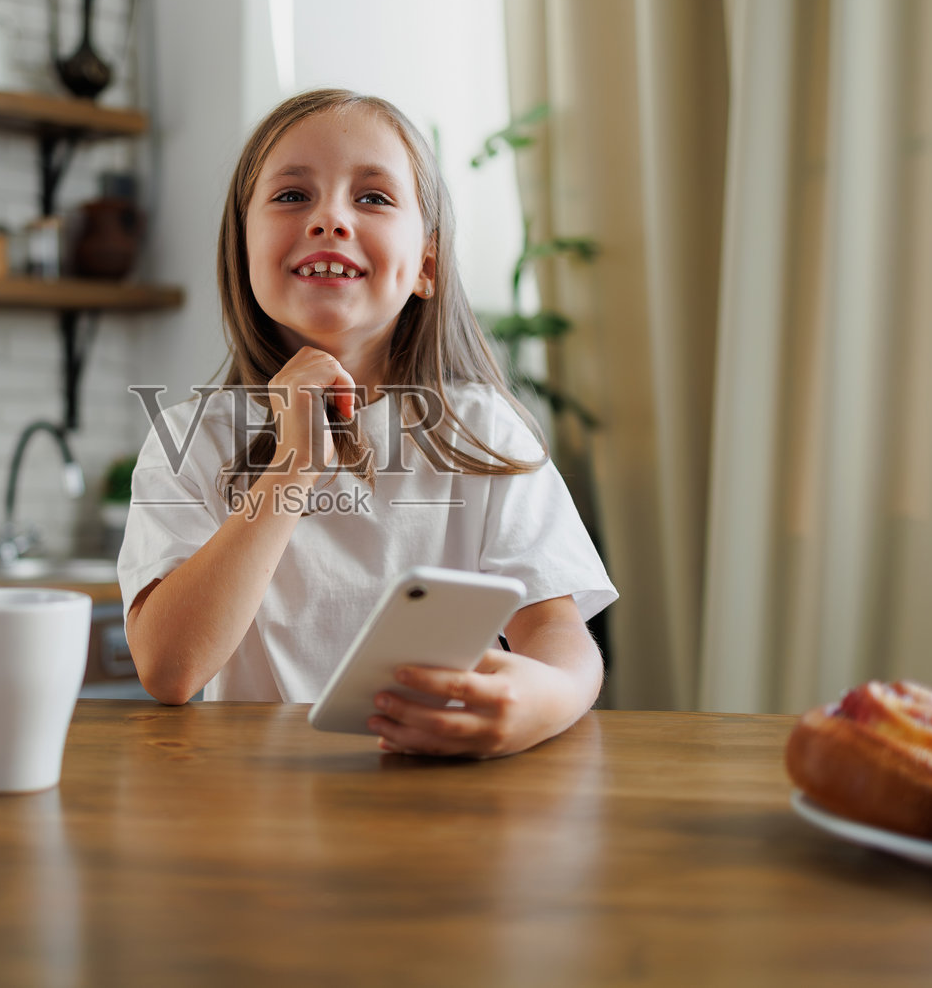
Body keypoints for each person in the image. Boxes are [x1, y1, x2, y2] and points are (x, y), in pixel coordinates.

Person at [117, 88, 616, 758]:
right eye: (292, 196)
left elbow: (558, 634)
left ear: (427, 266)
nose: (329, 218)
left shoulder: (483, 431)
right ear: (243, 249)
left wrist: (541, 699)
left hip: (434, 797)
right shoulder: (191, 439)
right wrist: (291, 467)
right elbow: (169, 667)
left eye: (374, 198)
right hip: (247, 814)